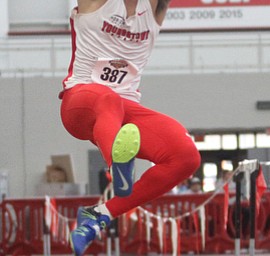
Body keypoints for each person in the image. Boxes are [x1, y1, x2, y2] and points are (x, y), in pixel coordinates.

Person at [59, 0, 201, 255]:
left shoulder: (156, 8)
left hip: (124, 111)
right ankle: (118, 162)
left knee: (186, 156)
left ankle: (99, 215)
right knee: (107, 98)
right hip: (80, 102)